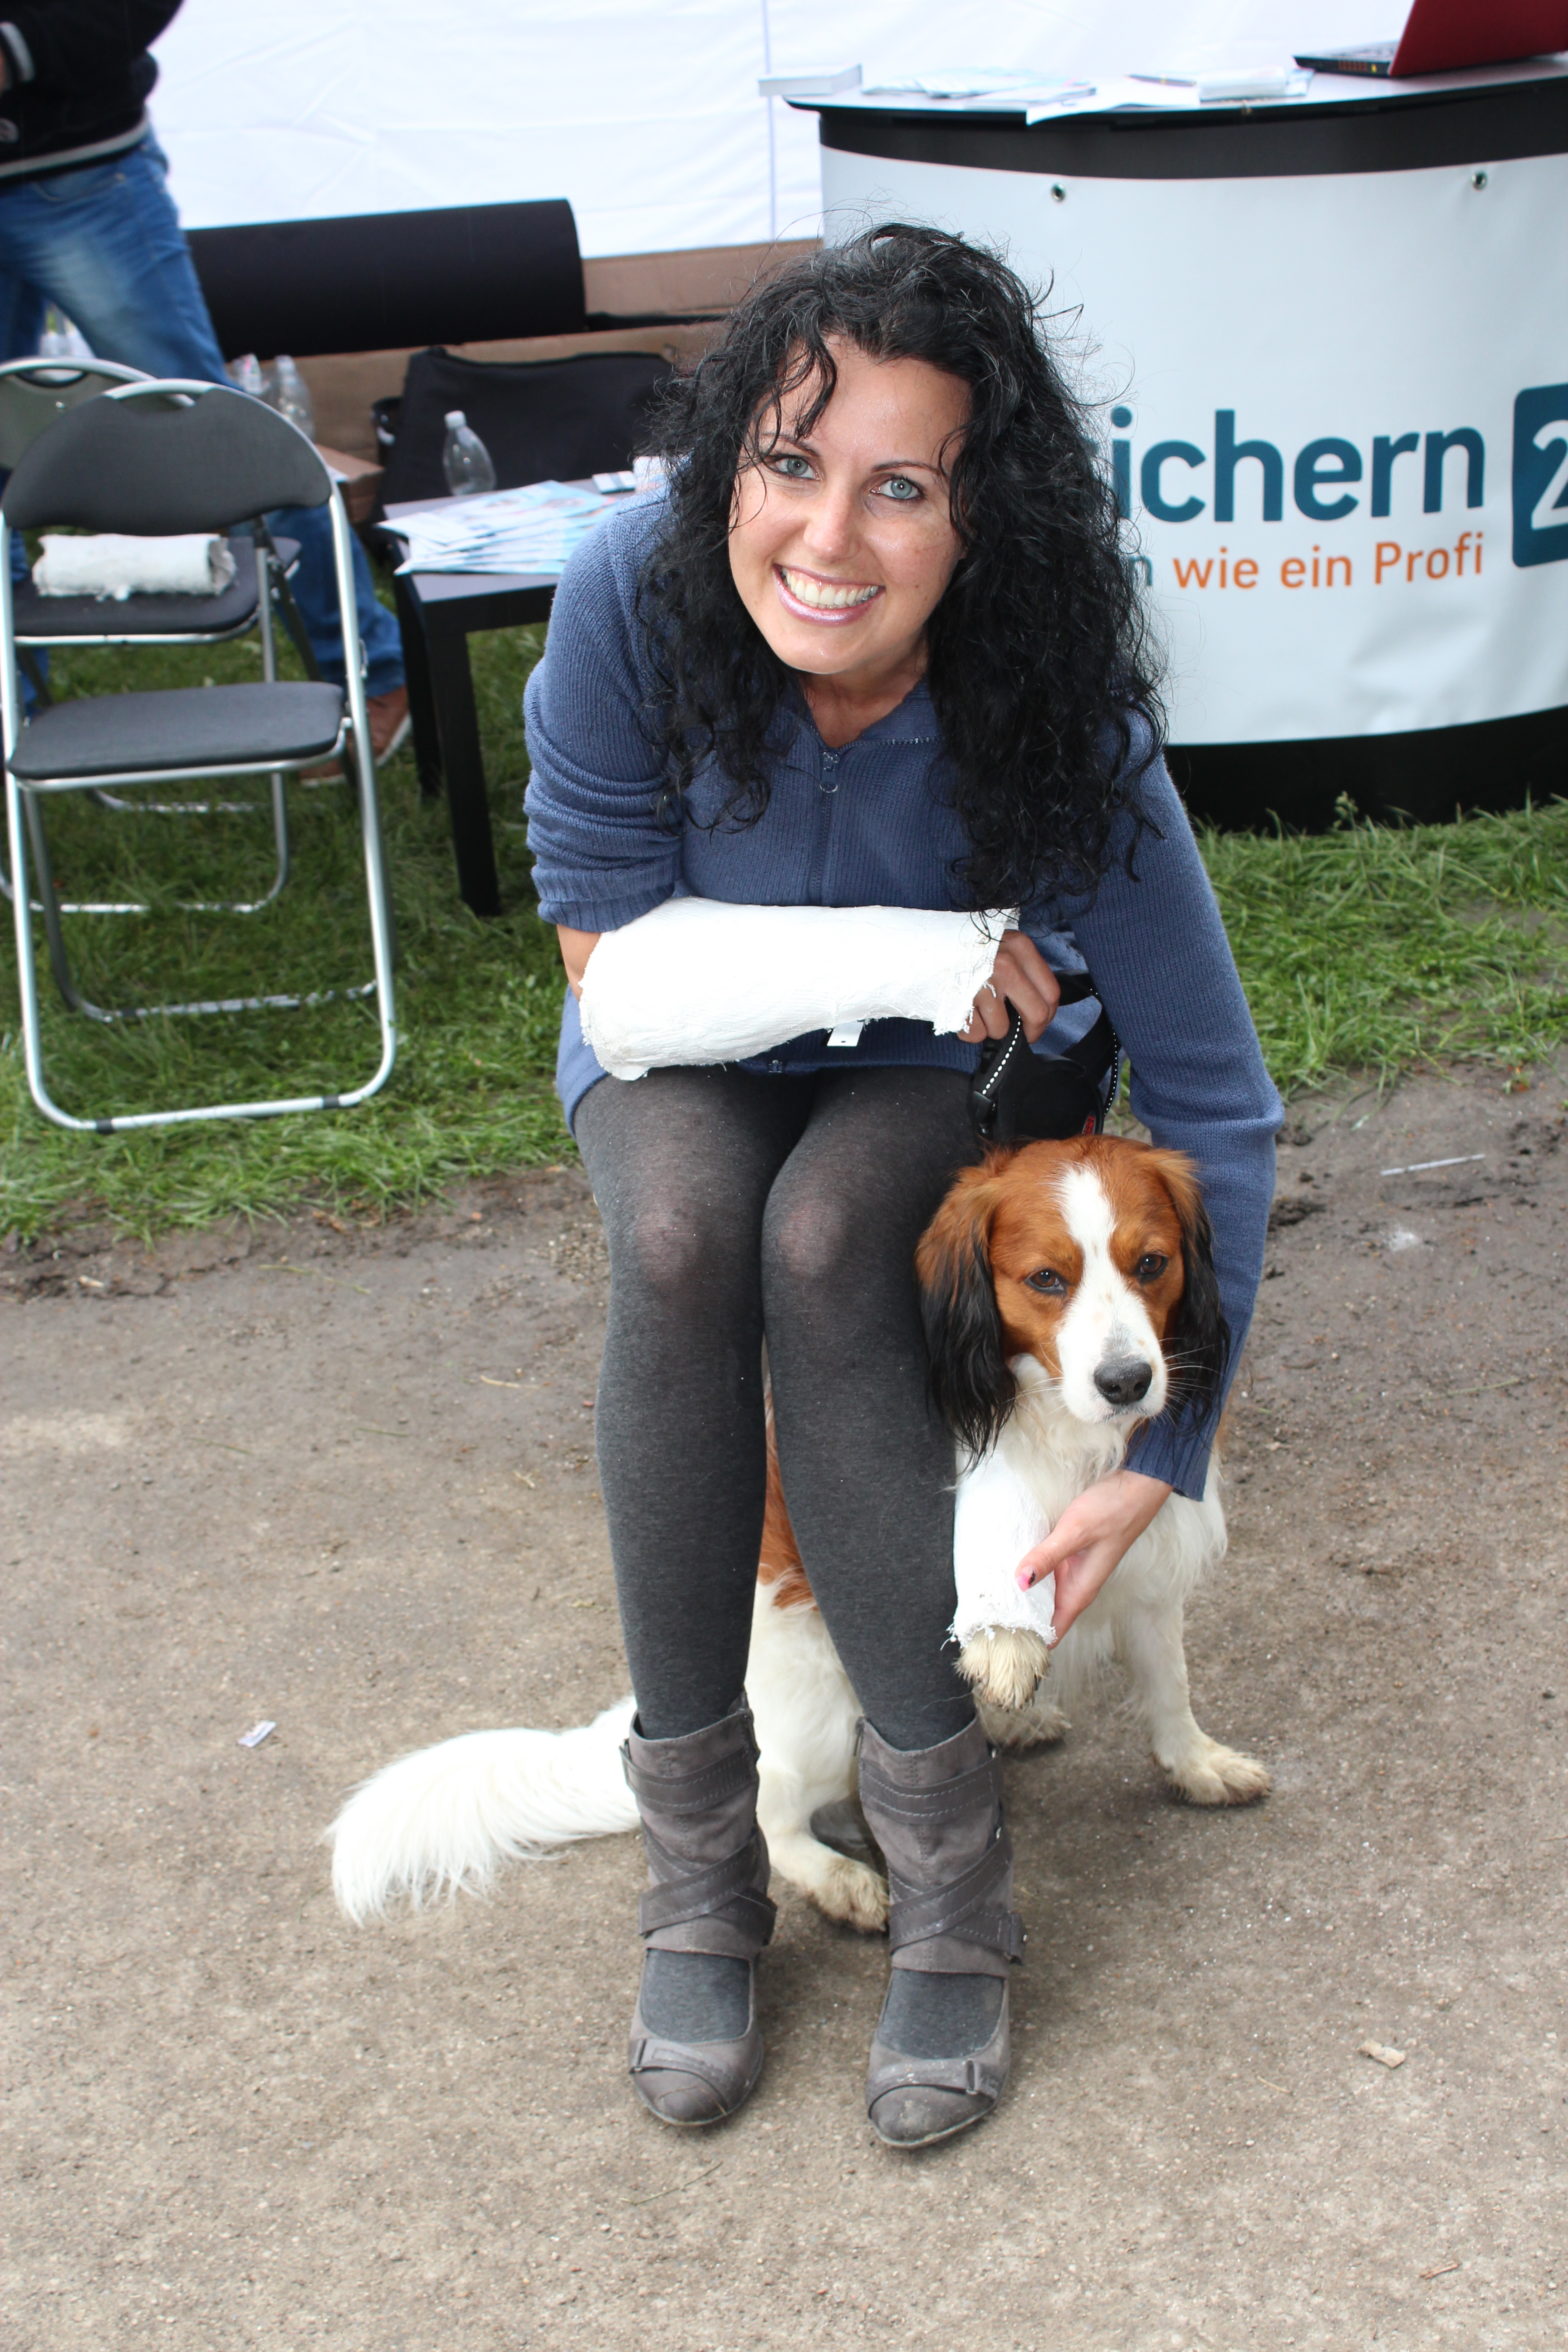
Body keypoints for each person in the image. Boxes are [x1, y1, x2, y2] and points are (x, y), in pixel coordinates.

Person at [522, 225, 1281, 2147]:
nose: (826, 535)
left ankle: (948, 1864)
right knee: (682, 1234)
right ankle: (700, 1865)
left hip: (923, 1062)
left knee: (829, 1236)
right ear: (727, 466)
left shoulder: (1051, 698)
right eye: (787, 463)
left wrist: (1163, 1452)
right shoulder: (625, 594)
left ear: (980, 520)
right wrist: (922, 950)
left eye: (901, 486)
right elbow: (617, 976)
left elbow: (1214, 1097)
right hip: (684, 1025)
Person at [0, 1, 409, 756]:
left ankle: (372, 672)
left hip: (82, 172)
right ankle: (12, 713)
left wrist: (16, 49)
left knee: (216, 434)